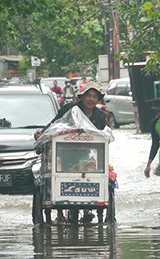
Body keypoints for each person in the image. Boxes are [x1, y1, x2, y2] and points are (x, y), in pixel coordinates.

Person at [35, 81, 108, 223]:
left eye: (94, 97)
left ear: (98, 100)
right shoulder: (69, 109)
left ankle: (87, 209)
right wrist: (42, 134)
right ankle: (60, 212)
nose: (91, 99)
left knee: (88, 173)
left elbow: (102, 135)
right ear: (81, 97)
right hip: (64, 152)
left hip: (84, 154)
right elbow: (55, 124)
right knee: (61, 173)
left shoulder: (99, 116)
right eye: (88, 96)